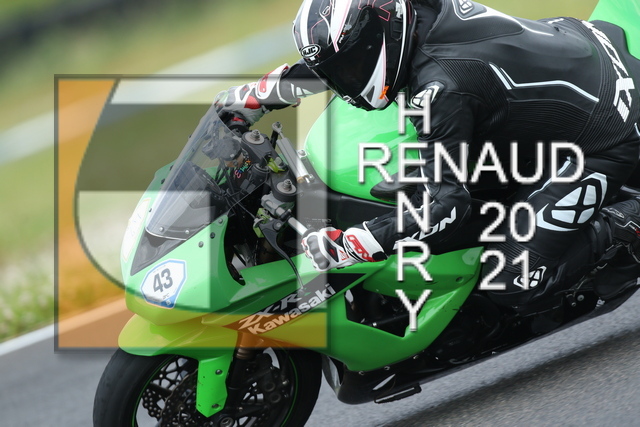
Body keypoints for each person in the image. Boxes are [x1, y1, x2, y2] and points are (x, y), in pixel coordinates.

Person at [215, 0, 640, 314]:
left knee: (513, 279)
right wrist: (258, 96)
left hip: (604, 135)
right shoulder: (406, 15)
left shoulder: (442, 89)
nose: (344, 83)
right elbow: (346, 50)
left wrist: (356, 242)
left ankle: (626, 224)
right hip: (576, 55)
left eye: (350, 69)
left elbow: (446, 205)